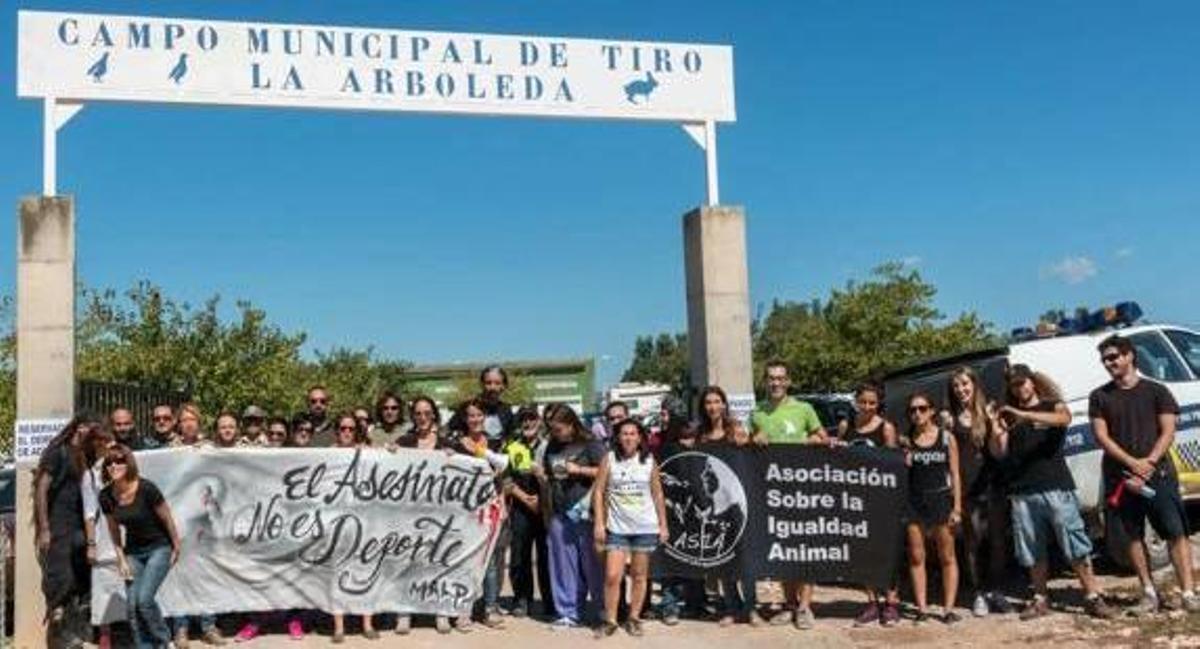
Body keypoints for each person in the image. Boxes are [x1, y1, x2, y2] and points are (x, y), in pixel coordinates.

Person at [990, 365, 1114, 620]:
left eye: (1023, 383)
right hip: (1023, 490)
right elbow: (999, 452)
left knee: (1074, 542)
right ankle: (1040, 597)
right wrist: (997, 429)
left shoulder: (1051, 405)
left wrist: (1025, 415)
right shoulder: (1009, 416)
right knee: (1031, 548)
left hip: (1056, 486)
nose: (1020, 388)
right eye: (1014, 385)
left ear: (1033, 382)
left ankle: (1092, 595)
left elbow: (1064, 419)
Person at [1090, 335, 1200, 614]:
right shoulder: (1100, 397)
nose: (1109, 363)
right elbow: (1101, 436)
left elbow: (1168, 430)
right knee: (1133, 536)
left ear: (1129, 356)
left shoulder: (1157, 391)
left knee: (1176, 532)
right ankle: (1148, 593)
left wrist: (1148, 462)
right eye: (1105, 359)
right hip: (1121, 478)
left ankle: (1188, 592)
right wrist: (1131, 463)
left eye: (1113, 357)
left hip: (1158, 473)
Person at [749, 361, 825, 629]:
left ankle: (805, 607)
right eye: (771, 378)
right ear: (765, 381)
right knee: (783, 551)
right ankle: (790, 604)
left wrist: (806, 442)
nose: (776, 383)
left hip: (802, 492)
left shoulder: (804, 409)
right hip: (773, 494)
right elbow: (748, 447)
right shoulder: (757, 412)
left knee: (804, 550)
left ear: (788, 381)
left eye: (780, 378)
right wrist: (752, 439)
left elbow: (822, 438)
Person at [942, 367, 1012, 617]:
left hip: (993, 485)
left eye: (965, 384)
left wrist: (993, 423)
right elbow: (950, 459)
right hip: (968, 488)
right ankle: (979, 592)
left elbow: (998, 452)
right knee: (972, 543)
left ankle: (997, 590)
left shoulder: (989, 410)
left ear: (974, 384)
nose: (961, 390)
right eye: (956, 386)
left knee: (997, 540)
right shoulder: (950, 418)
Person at [99, 445, 184, 649]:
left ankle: (163, 641)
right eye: (109, 462)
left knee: (144, 601)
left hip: (159, 548)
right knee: (131, 607)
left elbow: (167, 518)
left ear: (128, 463)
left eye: (119, 460)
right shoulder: (106, 496)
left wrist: (176, 546)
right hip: (133, 552)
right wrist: (121, 559)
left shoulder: (146, 488)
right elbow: (113, 530)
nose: (114, 465)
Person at [592, 419, 669, 638]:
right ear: (617, 437)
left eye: (633, 433)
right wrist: (599, 522)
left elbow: (657, 493)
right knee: (612, 576)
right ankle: (610, 620)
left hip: (644, 527)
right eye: (624, 433)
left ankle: (634, 618)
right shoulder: (609, 460)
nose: (628, 438)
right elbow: (599, 491)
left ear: (640, 437)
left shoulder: (649, 461)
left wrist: (663, 525)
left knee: (639, 575)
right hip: (617, 527)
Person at [533, 406, 606, 630]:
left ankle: (603, 608)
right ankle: (568, 612)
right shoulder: (552, 445)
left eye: (559, 429)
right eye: (552, 429)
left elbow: (607, 471)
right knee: (563, 565)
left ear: (572, 424)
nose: (555, 433)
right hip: (559, 511)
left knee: (593, 564)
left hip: (586, 512)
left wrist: (579, 470)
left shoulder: (591, 443)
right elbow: (549, 479)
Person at [836, 382, 902, 627]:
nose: (867, 407)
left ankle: (892, 603)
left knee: (886, 552)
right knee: (863, 552)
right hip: (855, 500)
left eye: (872, 403)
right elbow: (838, 459)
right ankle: (872, 602)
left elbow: (894, 465)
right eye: (863, 401)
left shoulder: (886, 428)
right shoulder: (847, 426)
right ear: (856, 401)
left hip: (880, 501)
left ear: (878, 404)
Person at [35, 415, 103, 648]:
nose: (88, 432)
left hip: (78, 527)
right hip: (58, 527)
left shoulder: (84, 455)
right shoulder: (58, 452)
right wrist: (44, 528)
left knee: (79, 581)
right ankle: (58, 637)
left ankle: (77, 632)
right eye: (85, 427)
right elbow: (41, 489)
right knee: (60, 580)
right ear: (77, 427)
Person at [694, 386, 760, 626]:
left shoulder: (735, 430)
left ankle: (751, 607)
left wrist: (752, 441)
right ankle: (731, 607)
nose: (712, 406)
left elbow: (753, 457)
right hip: (715, 505)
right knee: (723, 557)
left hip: (737, 502)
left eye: (717, 401)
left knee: (745, 557)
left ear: (724, 404)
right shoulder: (700, 435)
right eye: (708, 402)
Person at [392, 396, 453, 635]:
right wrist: (391, 454)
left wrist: (453, 457)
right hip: (409, 513)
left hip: (440, 513)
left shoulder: (446, 443)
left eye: (427, 413)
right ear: (413, 417)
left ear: (434, 415)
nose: (423, 417)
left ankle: (441, 612)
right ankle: (404, 613)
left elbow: (469, 468)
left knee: (439, 561)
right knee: (408, 562)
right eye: (418, 413)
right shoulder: (404, 441)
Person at [903, 392, 962, 624]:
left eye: (922, 408)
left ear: (932, 411)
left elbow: (955, 474)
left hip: (940, 501)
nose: (917, 413)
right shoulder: (905, 440)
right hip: (914, 502)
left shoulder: (946, 438)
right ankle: (922, 609)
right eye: (912, 410)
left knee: (947, 556)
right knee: (917, 556)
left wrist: (957, 507)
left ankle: (948, 609)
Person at [452, 399, 509, 631]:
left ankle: (490, 608)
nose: (475, 419)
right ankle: (462, 611)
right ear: (465, 419)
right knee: (465, 560)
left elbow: (502, 478)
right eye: (471, 416)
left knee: (491, 562)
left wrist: (503, 503)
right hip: (466, 510)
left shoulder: (495, 443)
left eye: (479, 415)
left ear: (485, 418)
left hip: (491, 508)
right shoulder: (455, 445)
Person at [330, 413, 378, 642]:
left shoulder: (368, 452)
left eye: (350, 428)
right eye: (342, 428)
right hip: (337, 522)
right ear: (336, 430)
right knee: (337, 573)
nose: (346, 432)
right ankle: (339, 627)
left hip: (365, 519)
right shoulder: (327, 454)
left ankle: (367, 623)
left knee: (365, 570)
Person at [504, 405, 555, 620]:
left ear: (539, 421)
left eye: (532, 418)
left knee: (547, 557)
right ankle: (521, 599)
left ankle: (550, 602)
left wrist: (542, 498)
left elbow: (557, 477)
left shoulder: (550, 447)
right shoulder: (511, 447)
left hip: (546, 510)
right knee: (519, 556)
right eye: (523, 419)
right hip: (520, 509)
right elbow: (505, 479)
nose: (527, 423)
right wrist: (525, 498)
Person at [654, 422, 707, 626]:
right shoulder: (665, 452)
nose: (688, 441)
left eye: (691, 436)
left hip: (695, 513)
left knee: (696, 560)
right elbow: (660, 480)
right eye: (683, 437)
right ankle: (670, 605)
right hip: (671, 514)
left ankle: (697, 604)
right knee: (670, 562)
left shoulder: (702, 453)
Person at [81, 425, 117, 649]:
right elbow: (89, 512)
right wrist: (91, 543)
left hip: (129, 531)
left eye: (107, 441)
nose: (104, 446)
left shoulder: (128, 467)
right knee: (104, 583)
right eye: (100, 442)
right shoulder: (90, 475)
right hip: (104, 534)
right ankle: (106, 636)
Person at [448, 365, 514, 446]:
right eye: (488, 383)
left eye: (497, 383)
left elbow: (510, 435)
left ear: (503, 386)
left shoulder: (506, 410)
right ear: (482, 384)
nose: (492, 387)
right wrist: (461, 438)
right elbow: (449, 430)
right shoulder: (469, 407)